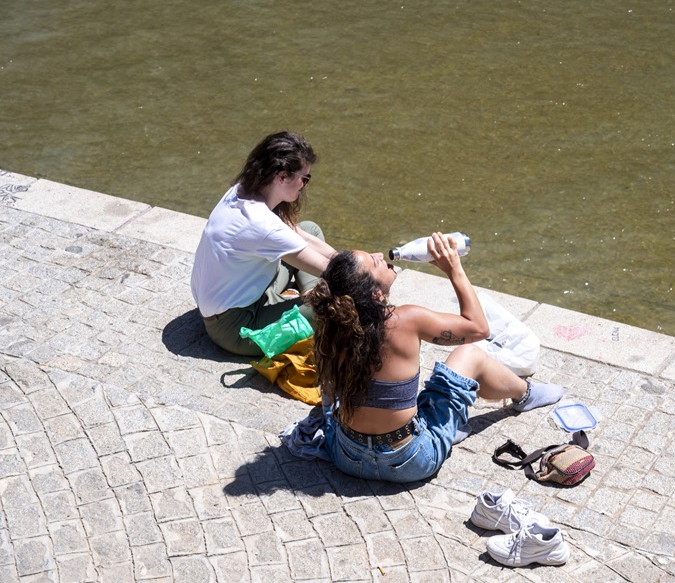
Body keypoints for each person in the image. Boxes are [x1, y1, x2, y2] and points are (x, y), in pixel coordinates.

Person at [306, 232, 564, 483]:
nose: (378, 254)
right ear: (375, 294)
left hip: (346, 457)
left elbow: (330, 391)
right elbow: (479, 328)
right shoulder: (404, 320)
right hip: (411, 461)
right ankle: (525, 395)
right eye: (374, 262)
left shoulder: (332, 325)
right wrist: (454, 269)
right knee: (469, 355)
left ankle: (447, 426)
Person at [191, 131, 337, 356]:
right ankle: (311, 300)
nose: (305, 186)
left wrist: (343, 258)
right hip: (235, 327)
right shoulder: (261, 224)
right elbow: (332, 271)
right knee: (333, 307)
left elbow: (299, 235)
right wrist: (366, 271)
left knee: (310, 229)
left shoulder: (241, 191)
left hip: (248, 293)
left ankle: (310, 294)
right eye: (304, 178)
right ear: (281, 176)